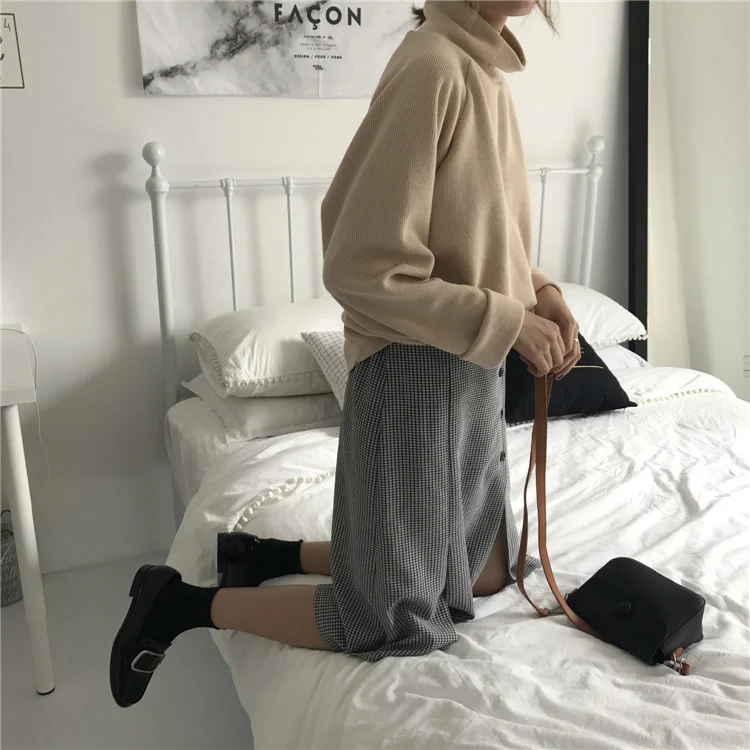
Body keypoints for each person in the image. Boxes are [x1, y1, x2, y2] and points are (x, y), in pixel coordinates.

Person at [110, 0, 581, 708]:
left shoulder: (485, 70)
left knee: (481, 572)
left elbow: (485, 240)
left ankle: (263, 555)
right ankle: (175, 602)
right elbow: (361, 265)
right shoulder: (432, 66)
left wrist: (540, 293)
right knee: (392, 620)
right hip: (414, 369)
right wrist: (509, 321)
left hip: (473, 365)